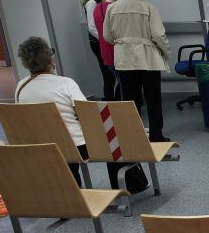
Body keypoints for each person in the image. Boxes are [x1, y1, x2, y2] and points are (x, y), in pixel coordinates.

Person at [14, 36, 144, 192]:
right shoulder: (65, 84)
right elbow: (89, 116)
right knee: (112, 137)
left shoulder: (21, 87)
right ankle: (131, 186)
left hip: (42, 146)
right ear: (50, 60)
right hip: (76, 147)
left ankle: (70, 190)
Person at [103, 0, 170, 142]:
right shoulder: (149, 7)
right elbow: (158, 35)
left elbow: (107, 36)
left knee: (131, 101)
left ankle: (135, 138)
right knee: (153, 99)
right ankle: (156, 135)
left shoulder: (111, 8)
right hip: (148, 59)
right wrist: (166, 53)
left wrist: (122, 44)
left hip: (124, 59)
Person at [81, 0, 117, 101]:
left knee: (112, 75)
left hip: (104, 40)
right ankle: (109, 104)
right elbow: (91, 27)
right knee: (108, 76)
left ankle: (114, 103)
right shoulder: (92, 2)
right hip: (98, 42)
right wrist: (105, 39)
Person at [92, 0, 124, 100]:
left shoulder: (98, 7)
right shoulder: (115, 8)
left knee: (121, 82)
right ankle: (123, 113)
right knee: (125, 85)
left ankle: (120, 110)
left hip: (106, 53)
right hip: (117, 52)